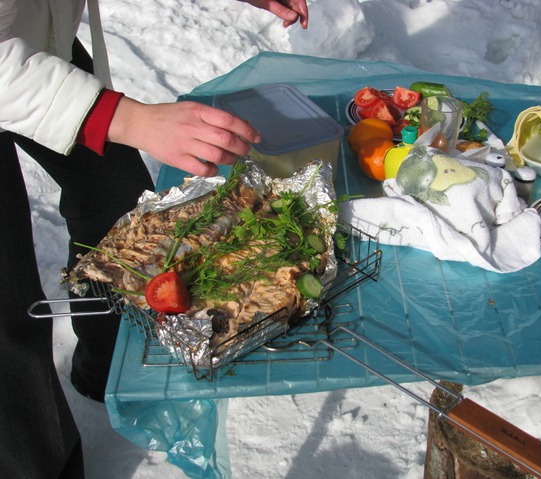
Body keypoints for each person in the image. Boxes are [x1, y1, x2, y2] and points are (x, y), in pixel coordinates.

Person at [0, 0, 309, 477]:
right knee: (8, 307)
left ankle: (105, 370)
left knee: (113, 201)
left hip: (31, 42)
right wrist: (130, 119)